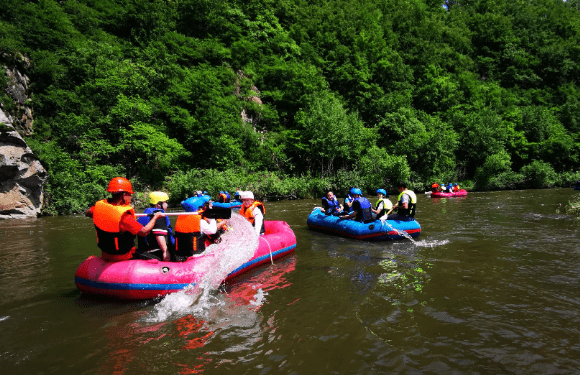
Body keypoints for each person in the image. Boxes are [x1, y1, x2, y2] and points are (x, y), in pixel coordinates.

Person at [85, 177, 165, 262]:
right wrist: (155, 217)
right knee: (157, 259)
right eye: (129, 194)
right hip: (123, 256)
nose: (130, 197)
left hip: (105, 254)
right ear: (124, 195)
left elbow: (88, 212)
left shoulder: (98, 207)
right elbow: (144, 232)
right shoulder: (124, 217)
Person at [135, 191, 174, 261]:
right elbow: (159, 235)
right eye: (165, 202)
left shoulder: (145, 214)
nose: (167, 204)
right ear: (159, 205)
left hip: (145, 251)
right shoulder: (159, 215)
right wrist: (165, 251)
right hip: (156, 252)